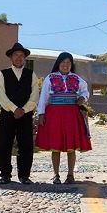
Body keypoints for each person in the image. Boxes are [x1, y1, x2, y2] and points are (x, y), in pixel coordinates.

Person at [35, 52, 92, 184]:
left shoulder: (77, 79)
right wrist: (41, 114)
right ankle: (56, 175)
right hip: (54, 113)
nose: (65, 65)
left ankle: (70, 175)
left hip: (72, 113)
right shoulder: (50, 78)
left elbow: (85, 91)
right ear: (58, 64)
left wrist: (83, 98)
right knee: (56, 144)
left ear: (71, 65)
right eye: (63, 62)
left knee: (71, 145)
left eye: (68, 63)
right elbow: (43, 97)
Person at [0, 42, 39, 185]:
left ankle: (24, 175)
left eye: (21, 55)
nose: (19, 58)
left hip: (26, 115)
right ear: (11, 57)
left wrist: (24, 110)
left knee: (26, 145)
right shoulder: (3, 74)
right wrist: (14, 109)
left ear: (24, 58)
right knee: (4, 144)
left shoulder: (31, 74)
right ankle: (5, 174)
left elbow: (35, 95)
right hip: (8, 114)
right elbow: (1, 95)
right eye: (16, 55)